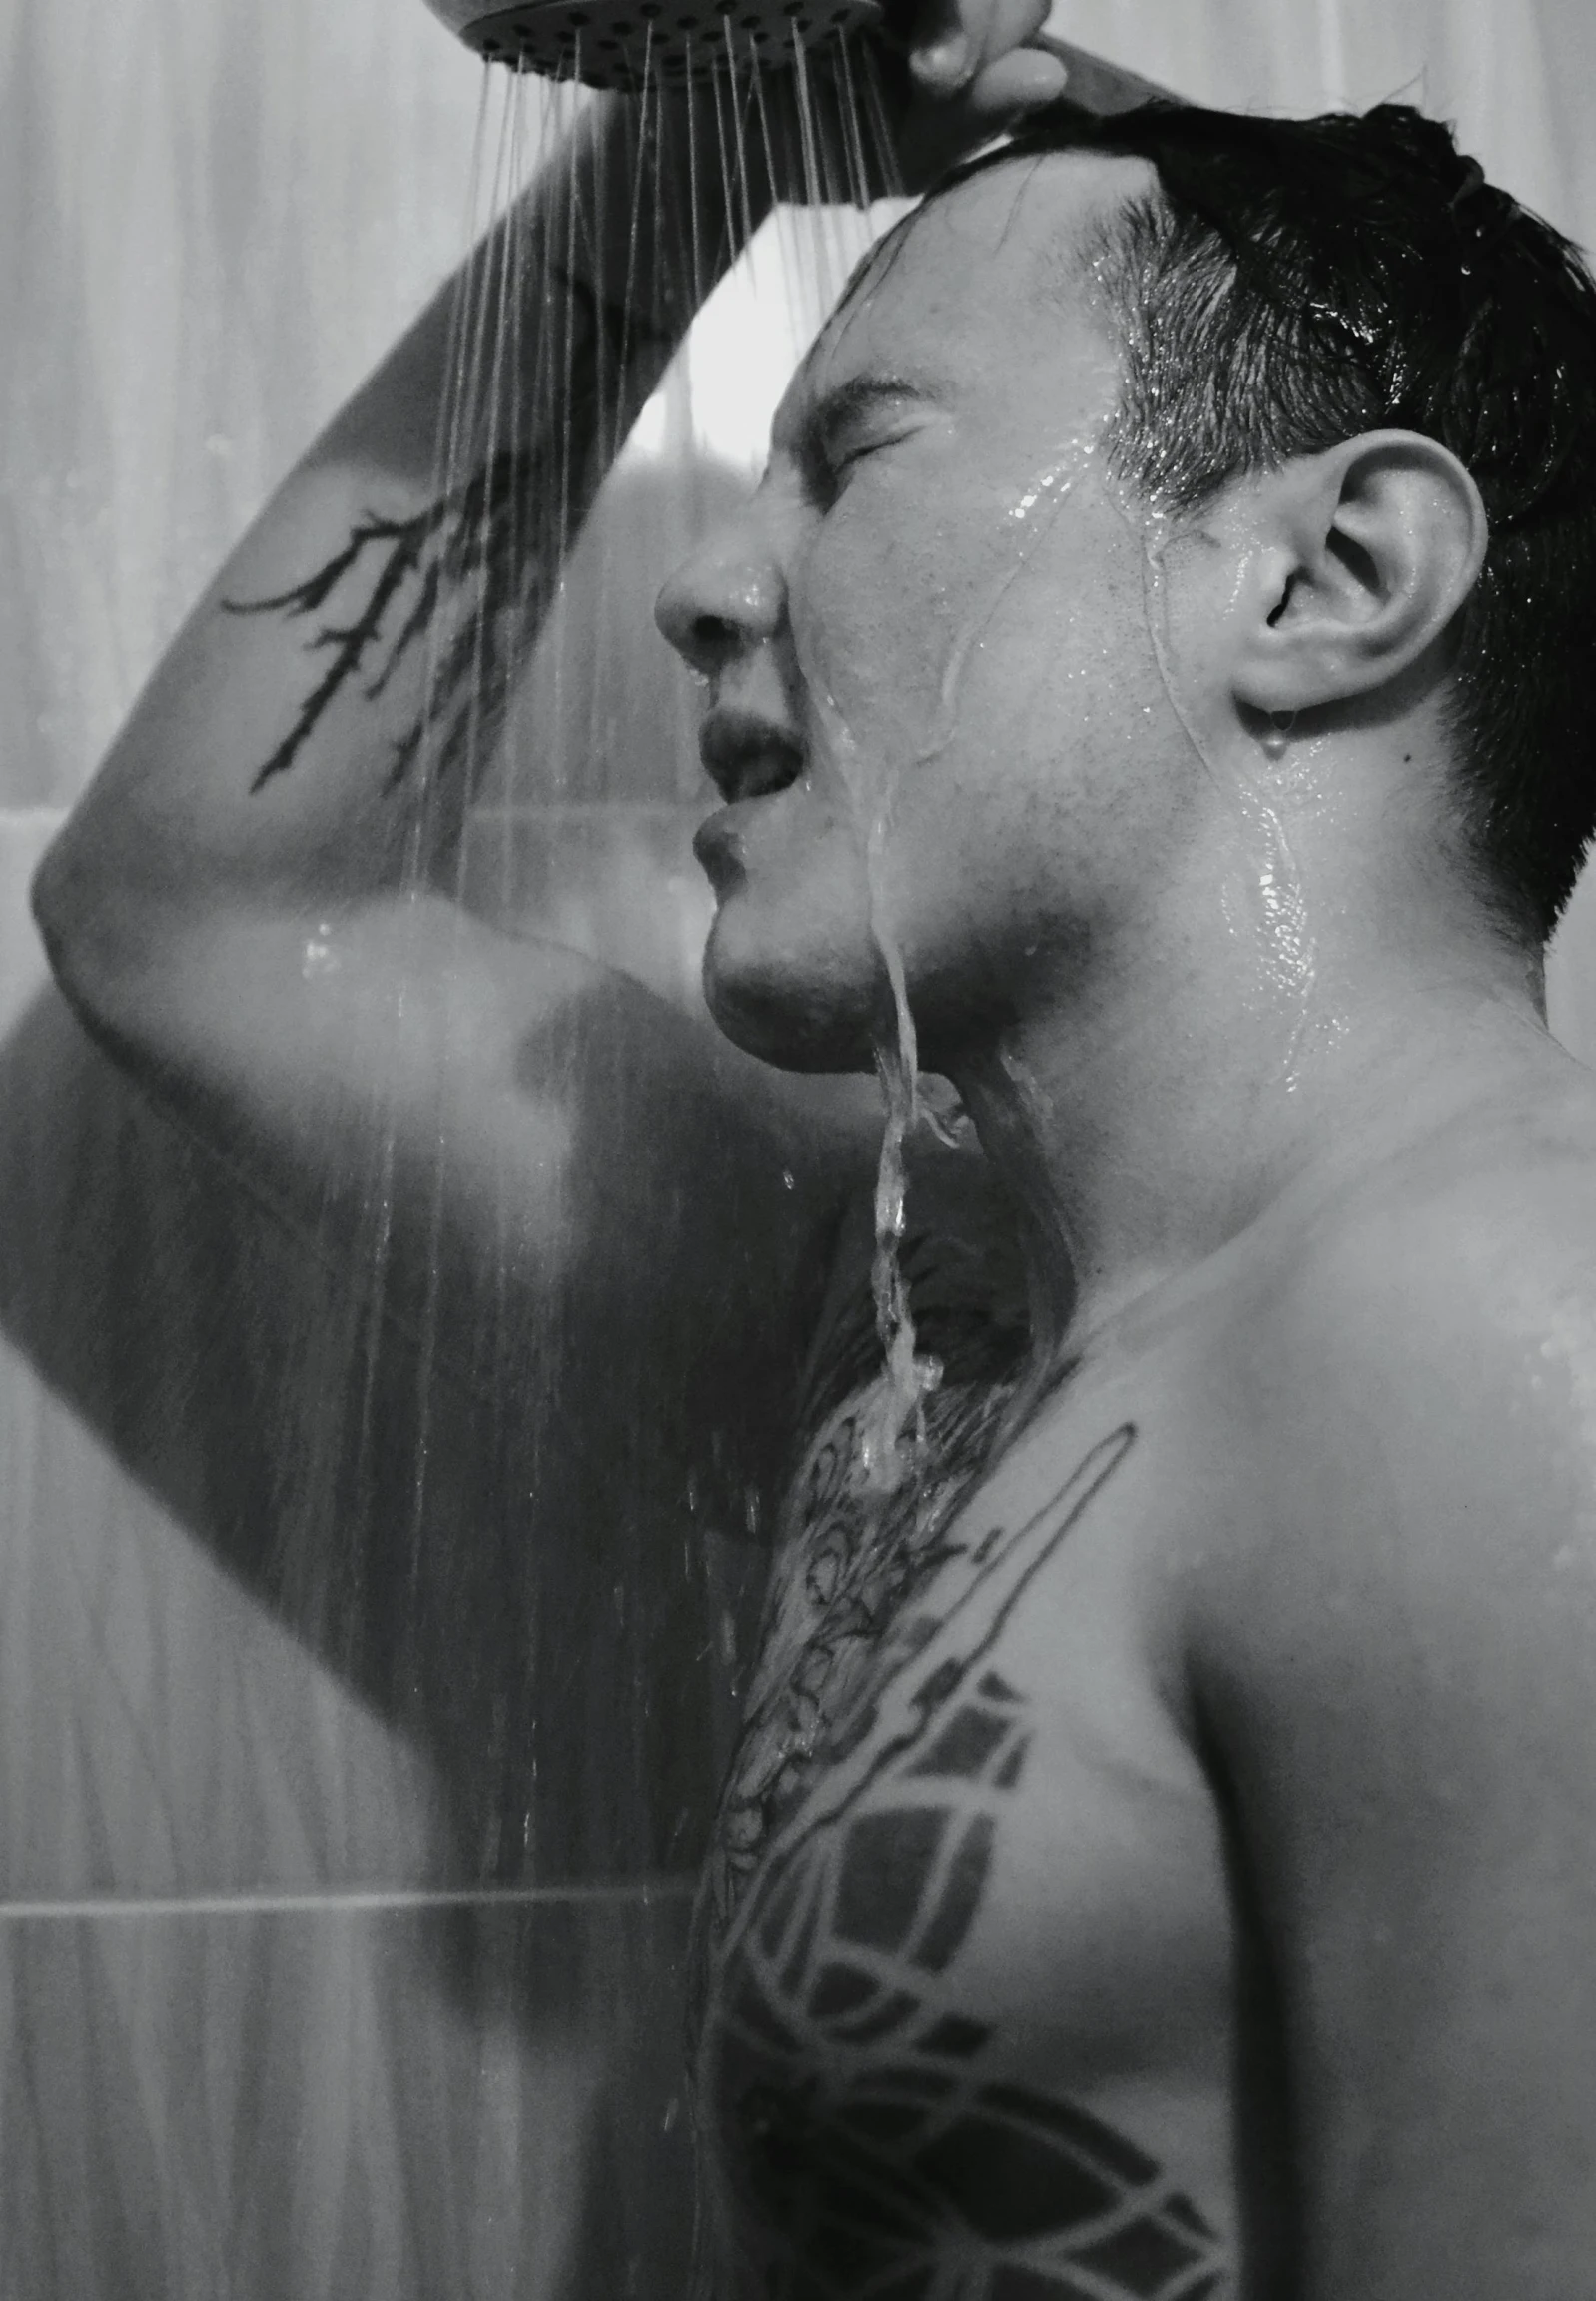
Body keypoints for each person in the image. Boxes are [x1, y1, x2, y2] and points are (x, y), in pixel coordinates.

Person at [32, 4, 1596, 2290]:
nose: (702, 591)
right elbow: (200, 917)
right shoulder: (935, 1337)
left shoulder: (1491, 1358)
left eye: (853, 457)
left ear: (1327, 575)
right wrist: (698, 150)